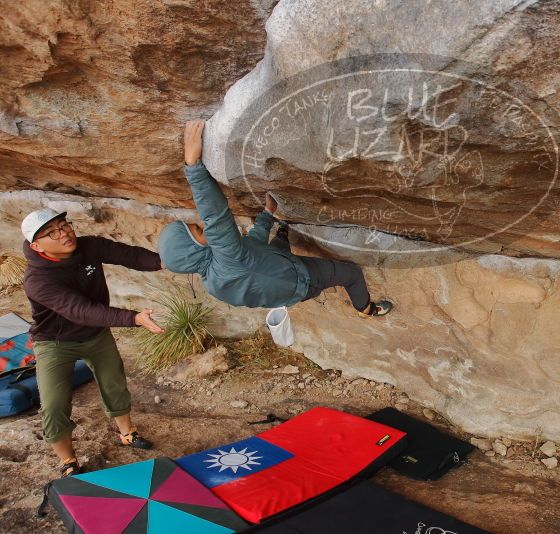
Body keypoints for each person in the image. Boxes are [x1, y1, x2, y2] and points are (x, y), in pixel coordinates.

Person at [158, 120, 393, 317]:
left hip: (277, 281)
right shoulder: (226, 258)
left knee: (278, 242)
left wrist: (268, 214)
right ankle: (366, 308)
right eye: (197, 231)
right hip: (301, 281)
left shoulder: (213, 282)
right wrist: (193, 167)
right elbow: (216, 217)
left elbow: (252, 249)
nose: (203, 228)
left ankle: (282, 232)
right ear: (192, 251)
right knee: (350, 273)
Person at [21, 208, 165, 477]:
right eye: (52, 232)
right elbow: (81, 310)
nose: (63, 233)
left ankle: (127, 433)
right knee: (53, 403)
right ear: (37, 245)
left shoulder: (89, 246)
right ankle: (68, 461)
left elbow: (130, 255)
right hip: (55, 342)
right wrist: (132, 318)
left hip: (94, 335)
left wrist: (166, 261)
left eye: (64, 225)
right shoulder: (37, 280)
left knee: (114, 382)